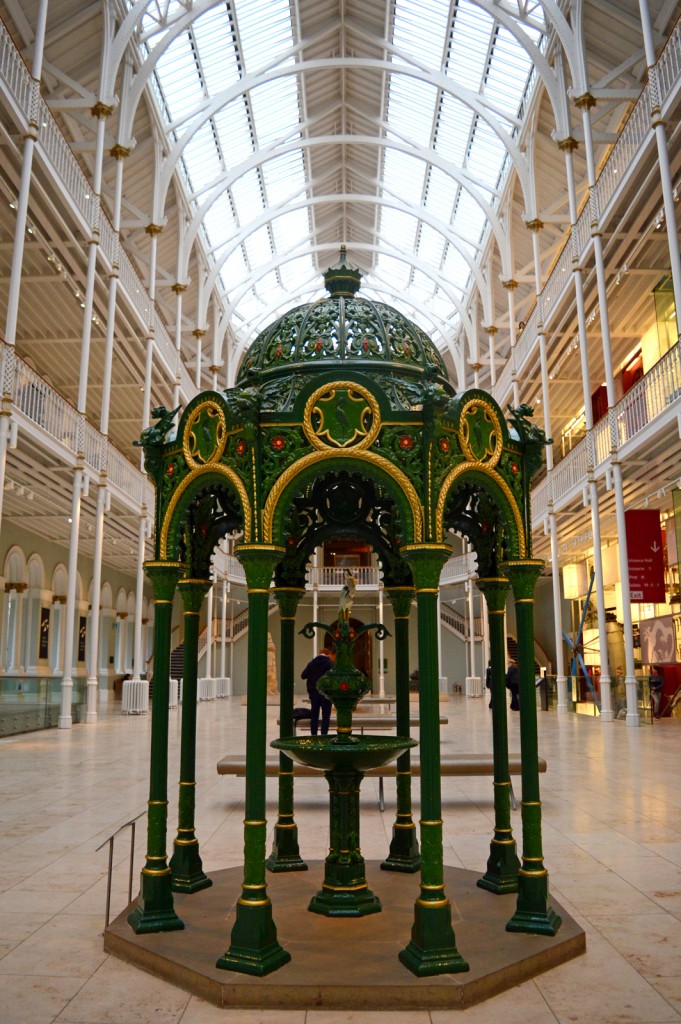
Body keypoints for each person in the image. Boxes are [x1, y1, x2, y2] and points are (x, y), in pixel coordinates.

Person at [301, 647, 335, 735]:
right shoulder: (330, 663)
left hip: (314, 693)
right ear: (328, 654)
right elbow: (335, 677)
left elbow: (303, 675)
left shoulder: (312, 663)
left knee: (314, 716)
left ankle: (314, 736)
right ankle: (323, 736)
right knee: (326, 717)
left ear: (319, 653)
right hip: (326, 694)